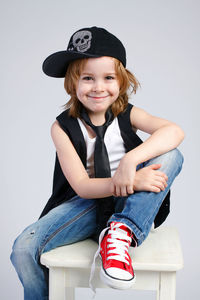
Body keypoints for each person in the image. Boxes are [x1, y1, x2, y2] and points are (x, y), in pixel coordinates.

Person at [10, 26, 184, 299]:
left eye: (108, 78)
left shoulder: (129, 114)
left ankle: (122, 230)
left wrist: (131, 162)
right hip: (86, 205)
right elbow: (81, 185)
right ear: (72, 82)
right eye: (88, 78)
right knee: (23, 250)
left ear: (122, 81)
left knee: (172, 154)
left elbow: (175, 131)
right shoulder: (62, 128)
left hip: (132, 202)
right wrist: (122, 180)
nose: (98, 87)